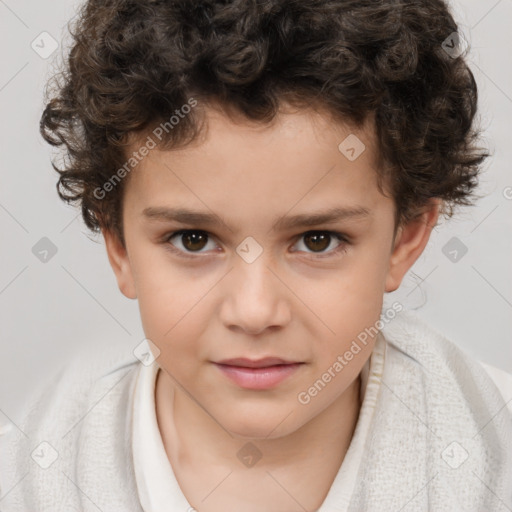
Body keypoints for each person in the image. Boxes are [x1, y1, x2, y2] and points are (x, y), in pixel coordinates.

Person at [2, 0, 511, 510]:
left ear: (405, 238)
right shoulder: (30, 477)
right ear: (119, 246)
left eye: (317, 240)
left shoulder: (496, 453)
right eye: (193, 240)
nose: (254, 311)